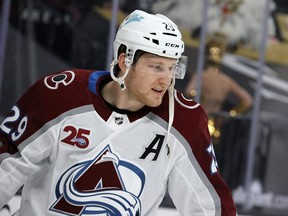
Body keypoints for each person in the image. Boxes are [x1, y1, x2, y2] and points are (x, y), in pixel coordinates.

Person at [0, 10, 237, 215]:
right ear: (124, 61)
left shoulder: (185, 120)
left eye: (172, 68)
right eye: (156, 67)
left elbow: (210, 207)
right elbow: (6, 166)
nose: (166, 79)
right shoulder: (60, 95)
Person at [185, 32, 253, 116]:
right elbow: (248, 101)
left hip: (200, 119)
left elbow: (189, 91)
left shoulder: (201, 76)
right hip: (215, 122)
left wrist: (201, 97)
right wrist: (231, 114)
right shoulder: (226, 80)